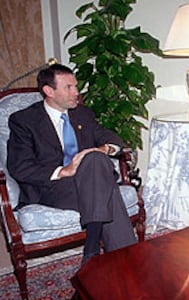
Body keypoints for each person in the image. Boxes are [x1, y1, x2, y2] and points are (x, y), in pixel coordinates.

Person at [7, 64, 137, 265]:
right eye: (68, 87)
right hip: (51, 187)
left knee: (95, 159)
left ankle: (92, 252)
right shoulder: (24, 121)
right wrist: (63, 171)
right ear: (49, 91)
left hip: (90, 179)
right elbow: (19, 166)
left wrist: (104, 149)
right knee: (106, 188)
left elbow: (110, 137)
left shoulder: (82, 114)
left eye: (75, 86)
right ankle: (128, 262)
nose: (76, 92)